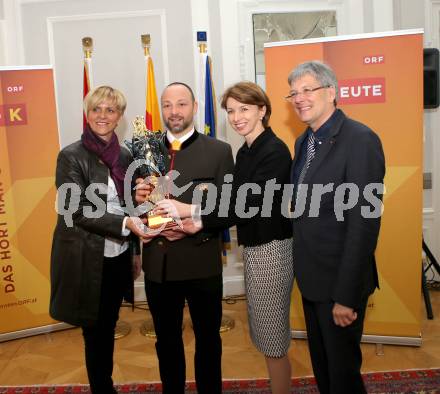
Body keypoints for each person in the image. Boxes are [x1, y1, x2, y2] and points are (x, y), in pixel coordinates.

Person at [155, 81, 294, 394]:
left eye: (244, 109)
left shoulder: (273, 151)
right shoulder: (246, 151)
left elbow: (248, 204)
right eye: (231, 110)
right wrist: (199, 222)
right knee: (265, 336)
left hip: (271, 249)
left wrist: (190, 211)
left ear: (263, 110)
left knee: (273, 340)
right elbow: (231, 204)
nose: (236, 116)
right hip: (255, 249)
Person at [287, 61, 385, 394]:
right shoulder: (304, 143)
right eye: (294, 93)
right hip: (312, 279)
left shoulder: (360, 140)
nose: (299, 98)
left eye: (308, 89)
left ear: (331, 92)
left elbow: (363, 224)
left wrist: (345, 296)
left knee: (343, 376)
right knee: (324, 371)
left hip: (339, 286)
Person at [135, 82, 234, 394]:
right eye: (167, 105)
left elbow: (230, 208)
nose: (174, 112)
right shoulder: (144, 150)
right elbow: (136, 208)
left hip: (201, 261)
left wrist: (194, 218)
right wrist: (137, 202)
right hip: (160, 265)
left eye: (181, 104)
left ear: (194, 106)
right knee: (166, 342)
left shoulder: (219, 151)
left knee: (208, 340)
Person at [50, 86, 147, 394]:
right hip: (87, 257)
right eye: (96, 109)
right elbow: (76, 211)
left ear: (119, 116)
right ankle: (103, 388)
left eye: (110, 110)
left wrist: (135, 250)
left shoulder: (125, 154)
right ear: (87, 113)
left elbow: (130, 203)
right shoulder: (70, 156)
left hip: (119, 253)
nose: (103, 116)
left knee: (108, 324)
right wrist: (127, 223)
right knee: (95, 332)